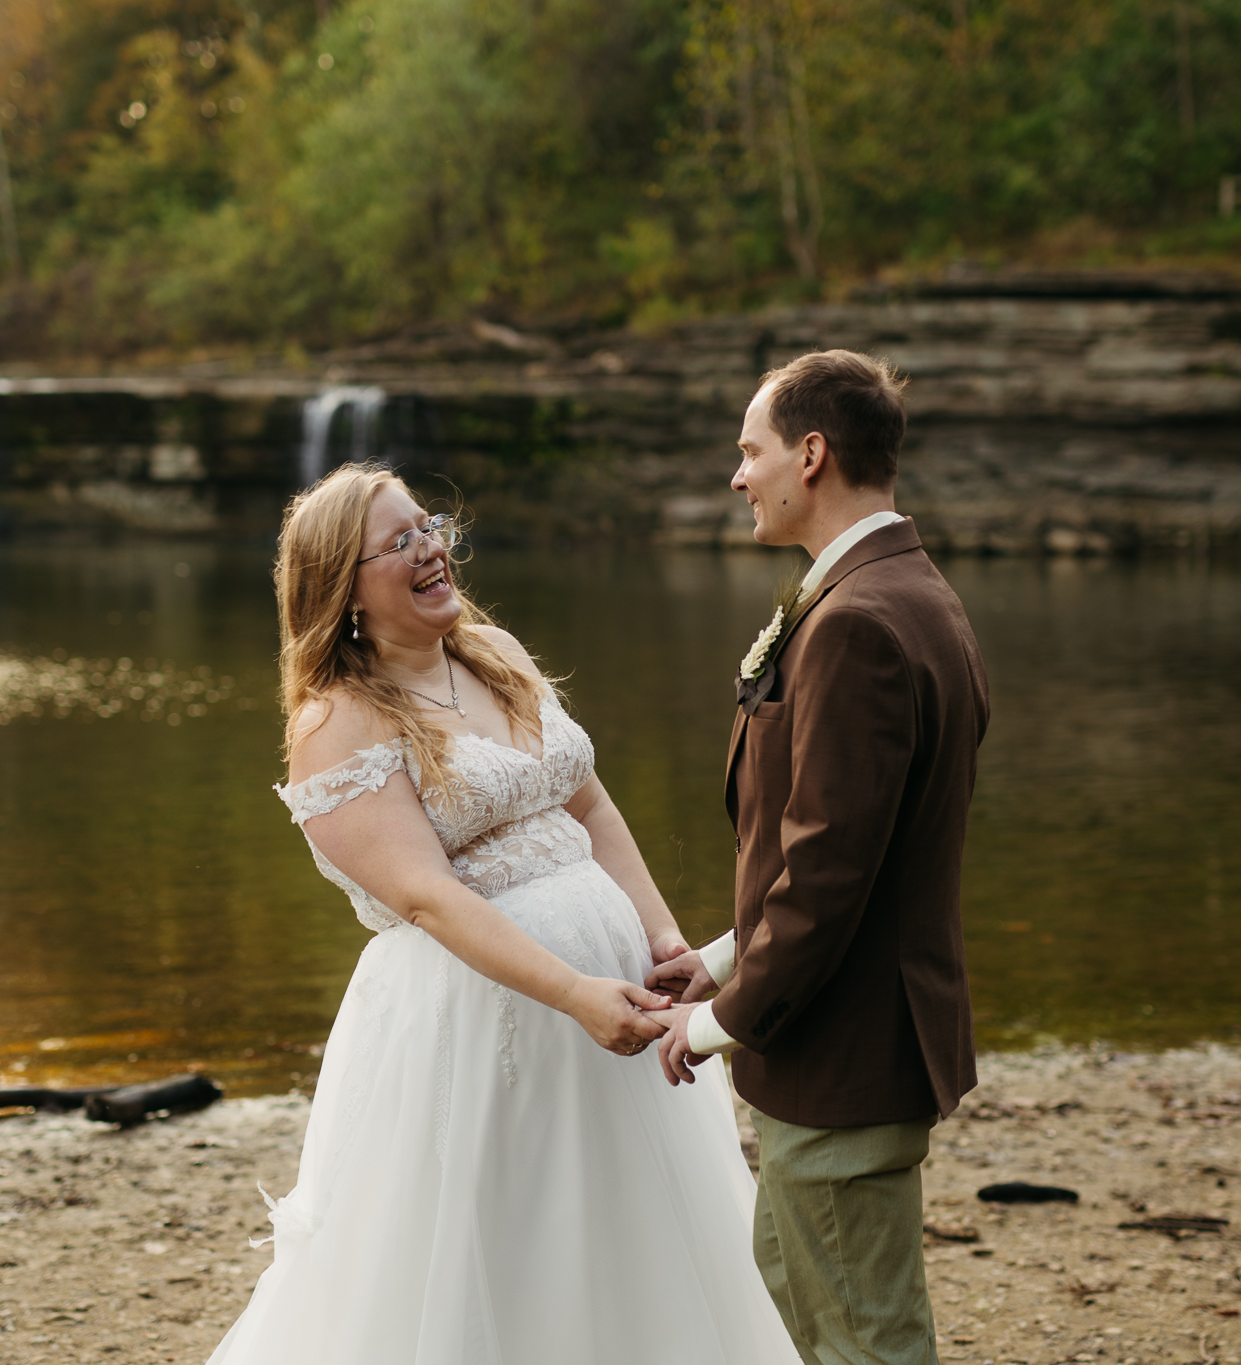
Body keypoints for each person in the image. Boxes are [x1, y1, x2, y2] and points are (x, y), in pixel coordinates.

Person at [204, 464, 797, 1365]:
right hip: (485, 1020)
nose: (432, 548)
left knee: (630, 1221)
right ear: (343, 590)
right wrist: (572, 993)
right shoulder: (338, 720)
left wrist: (663, 935)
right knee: (506, 1235)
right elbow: (427, 897)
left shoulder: (497, 653)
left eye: (429, 525)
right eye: (398, 541)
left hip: (616, 990)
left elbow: (590, 807)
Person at [648, 350, 991, 1365]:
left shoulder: (856, 624)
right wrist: (713, 958)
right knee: (800, 1302)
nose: (736, 475)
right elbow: (841, 852)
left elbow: (830, 878)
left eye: (748, 450)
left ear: (810, 453)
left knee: (863, 1342)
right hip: (850, 1039)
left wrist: (717, 1021)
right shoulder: (904, 591)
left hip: (844, 1047)